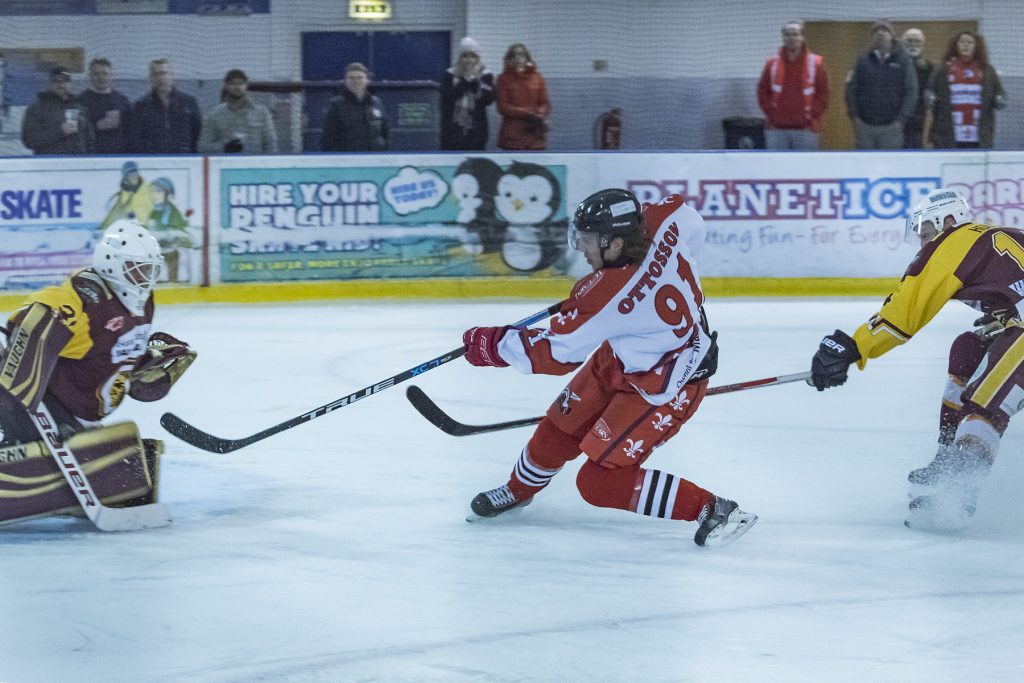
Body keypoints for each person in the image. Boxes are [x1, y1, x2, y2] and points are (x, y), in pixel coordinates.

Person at [460, 189, 757, 548]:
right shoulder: (660, 222)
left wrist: (493, 345)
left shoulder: (607, 296)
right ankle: (518, 491)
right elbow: (692, 224)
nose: (581, 249)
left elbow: (556, 354)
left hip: (666, 384)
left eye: (587, 241)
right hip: (623, 356)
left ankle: (714, 508)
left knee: (599, 482)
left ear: (615, 243)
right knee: (558, 429)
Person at [808, 187, 1024, 531]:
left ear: (949, 220)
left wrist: (853, 347)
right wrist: (1004, 318)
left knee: (982, 408)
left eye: (925, 231)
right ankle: (946, 458)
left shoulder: (952, 243)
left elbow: (902, 316)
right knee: (968, 348)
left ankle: (956, 495)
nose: (924, 241)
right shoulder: (999, 236)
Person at [0, 220, 196, 526]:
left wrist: (150, 363)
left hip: (82, 417)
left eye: (148, 269)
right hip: (49, 410)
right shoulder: (88, 297)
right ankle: (17, 447)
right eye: (135, 268)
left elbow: (112, 356)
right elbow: (46, 306)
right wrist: (34, 323)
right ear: (111, 264)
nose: (143, 278)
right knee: (8, 381)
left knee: (136, 460)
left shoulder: (143, 305)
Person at [926, 31, 1006, 149]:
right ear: (956, 45)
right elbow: (930, 89)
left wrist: (1000, 99)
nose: (966, 45)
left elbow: (999, 93)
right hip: (948, 133)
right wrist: (929, 97)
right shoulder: (943, 68)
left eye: (970, 42)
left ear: (976, 46)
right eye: (962, 42)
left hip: (979, 134)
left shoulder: (987, 70)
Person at [845, 20, 918, 149]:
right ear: (872, 37)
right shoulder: (862, 60)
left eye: (885, 30)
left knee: (891, 166)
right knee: (864, 166)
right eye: (876, 31)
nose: (880, 33)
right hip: (865, 127)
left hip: (892, 127)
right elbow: (851, 89)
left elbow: (911, 91)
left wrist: (901, 120)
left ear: (891, 35)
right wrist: (855, 117)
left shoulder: (904, 60)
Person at [757, 20, 829, 150]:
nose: (791, 38)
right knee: (776, 168)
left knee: (805, 169)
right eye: (788, 35)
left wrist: (810, 115)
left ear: (802, 37)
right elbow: (762, 91)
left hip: (807, 129)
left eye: (795, 34)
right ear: (783, 38)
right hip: (776, 129)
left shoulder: (816, 64)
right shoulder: (771, 64)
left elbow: (823, 94)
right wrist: (773, 114)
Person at [198, 68, 277, 154]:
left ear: (246, 85)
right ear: (226, 86)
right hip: (226, 165)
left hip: (256, 165)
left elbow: (271, 143)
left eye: (241, 83)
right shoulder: (214, 115)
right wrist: (224, 147)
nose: (237, 87)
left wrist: (267, 163)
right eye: (233, 83)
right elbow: (202, 147)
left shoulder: (262, 113)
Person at [131, 58, 202, 154]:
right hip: (152, 161)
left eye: (163, 73)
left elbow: (198, 133)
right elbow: (135, 138)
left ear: (172, 76)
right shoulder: (141, 106)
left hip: (185, 160)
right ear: (150, 78)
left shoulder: (189, 102)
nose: (160, 78)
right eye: (156, 74)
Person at [20, 67, 95, 155]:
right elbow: (29, 140)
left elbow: (90, 140)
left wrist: (90, 160)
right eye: (56, 81)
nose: (61, 85)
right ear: (49, 84)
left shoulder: (80, 108)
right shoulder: (36, 109)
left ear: (71, 84)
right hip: (49, 165)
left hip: (78, 164)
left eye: (65, 81)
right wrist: (59, 131)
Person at [439, 37, 495, 151]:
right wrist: (465, 81)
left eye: (472, 56)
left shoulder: (485, 75)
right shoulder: (449, 75)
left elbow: (488, 99)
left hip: (477, 131)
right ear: (460, 57)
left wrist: (474, 81)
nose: (469, 60)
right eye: (465, 56)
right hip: (452, 131)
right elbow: (448, 98)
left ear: (477, 58)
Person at [320, 62, 388, 152]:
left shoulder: (376, 102)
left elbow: (385, 131)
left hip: (375, 158)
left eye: (360, 78)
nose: (356, 81)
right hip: (347, 159)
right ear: (345, 81)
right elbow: (327, 137)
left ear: (367, 80)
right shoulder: (336, 105)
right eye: (352, 78)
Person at [495, 43, 550, 151]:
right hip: (512, 138)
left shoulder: (538, 78)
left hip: (535, 137)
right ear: (509, 59)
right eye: (514, 55)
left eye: (521, 55)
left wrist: (540, 114)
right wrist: (526, 112)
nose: (518, 58)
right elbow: (503, 106)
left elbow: (545, 102)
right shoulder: (502, 79)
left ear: (527, 58)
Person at [78, 57, 132, 154]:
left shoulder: (122, 100)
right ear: (89, 76)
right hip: (91, 157)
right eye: (96, 74)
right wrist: (96, 126)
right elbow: (75, 132)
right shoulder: (80, 101)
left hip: (119, 156)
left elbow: (132, 129)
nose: (101, 78)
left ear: (111, 76)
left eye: (105, 74)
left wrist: (122, 123)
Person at [144, 176, 193, 282]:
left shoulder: (172, 212)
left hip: (171, 251)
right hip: (154, 252)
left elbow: (180, 228)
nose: (154, 195)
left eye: (158, 191)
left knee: (172, 278)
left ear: (167, 194)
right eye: (152, 192)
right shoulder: (150, 212)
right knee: (154, 278)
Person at [900, 29, 934, 149]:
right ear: (902, 43)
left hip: (919, 125)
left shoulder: (930, 68)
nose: (913, 44)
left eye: (917, 41)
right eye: (909, 41)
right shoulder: (894, 65)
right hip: (896, 124)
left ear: (923, 44)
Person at [101, 160, 153, 230]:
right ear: (126, 177)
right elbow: (115, 213)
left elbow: (151, 209)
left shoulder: (147, 190)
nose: (134, 176)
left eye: (135, 172)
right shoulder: (123, 194)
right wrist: (104, 227)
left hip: (144, 227)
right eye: (130, 174)